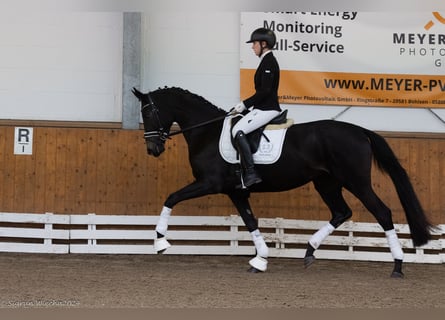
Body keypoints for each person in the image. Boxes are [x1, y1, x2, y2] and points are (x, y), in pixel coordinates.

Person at [232, 27, 282, 187]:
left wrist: (243, 105)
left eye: (254, 43)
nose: (252, 47)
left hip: (268, 109)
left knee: (238, 131)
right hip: (261, 108)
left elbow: (265, 92)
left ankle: (251, 172)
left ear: (264, 44)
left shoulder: (269, 62)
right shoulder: (265, 61)